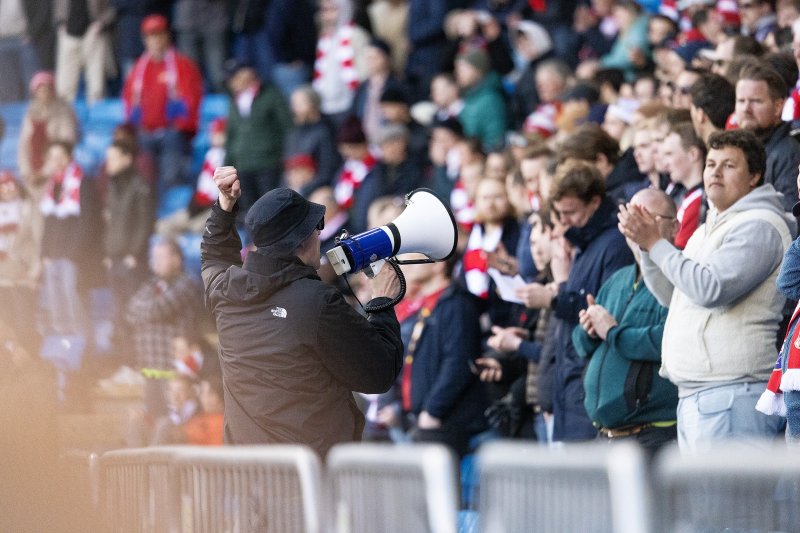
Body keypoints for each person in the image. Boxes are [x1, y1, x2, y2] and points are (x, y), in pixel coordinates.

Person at [201, 166, 404, 457]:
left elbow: (213, 256)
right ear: (304, 239)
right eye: (317, 226)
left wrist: (224, 207)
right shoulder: (317, 302)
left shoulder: (226, 291)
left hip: (244, 475)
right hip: (307, 481)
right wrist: (382, 300)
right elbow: (378, 374)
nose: (321, 233)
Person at [619, 129, 794, 453]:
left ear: (754, 175)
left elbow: (710, 288)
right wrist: (647, 248)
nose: (715, 171)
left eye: (729, 165)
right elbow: (675, 295)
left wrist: (656, 242)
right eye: (711, 163)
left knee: (729, 504)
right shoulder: (707, 228)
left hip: (732, 393)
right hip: (702, 395)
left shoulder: (761, 224)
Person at [515, 160, 635, 442]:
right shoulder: (582, 243)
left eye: (570, 212)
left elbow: (606, 311)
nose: (564, 220)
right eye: (559, 213)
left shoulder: (614, 245)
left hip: (589, 382)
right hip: (569, 382)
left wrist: (554, 297)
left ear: (594, 202)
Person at [573, 188, 680, 454]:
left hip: (652, 435)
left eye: (647, 218)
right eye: (630, 217)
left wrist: (612, 332)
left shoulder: (680, 275)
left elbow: (667, 342)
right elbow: (580, 345)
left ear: (675, 227)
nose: (636, 226)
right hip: (607, 435)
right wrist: (588, 330)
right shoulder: (618, 278)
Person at [122, 14, 203, 195]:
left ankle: (173, 212)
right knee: (141, 174)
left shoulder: (182, 65)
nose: (155, 40)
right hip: (145, 134)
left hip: (173, 134)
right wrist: (136, 127)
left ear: (167, 36)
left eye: (158, 34)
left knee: (171, 173)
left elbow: (192, 101)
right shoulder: (138, 69)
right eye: (150, 36)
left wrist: (179, 126)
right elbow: (128, 102)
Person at [126, 239, 203, 418]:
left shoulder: (187, 283)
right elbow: (130, 310)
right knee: (152, 419)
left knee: (171, 422)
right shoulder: (151, 284)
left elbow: (158, 308)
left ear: (176, 260)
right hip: (150, 368)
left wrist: (146, 315)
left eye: (161, 257)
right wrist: (151, 314)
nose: (155, 262)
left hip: (174, 370)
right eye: (154, 257)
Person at [103, 138, 154, 359]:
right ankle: (126, 361)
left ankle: (139, 362)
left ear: (127, 158)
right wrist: (107, 253)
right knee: (119, 313)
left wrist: (134, 254)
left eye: (113, 158)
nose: (109, 163)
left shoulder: (140, 186)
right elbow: (110, 223)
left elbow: (145, 222)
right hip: (114, 260)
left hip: (132, 262)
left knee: (135, 314)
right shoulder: (113, 186)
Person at [224, 61, 292, 217]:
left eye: (233, 77)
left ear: (247, 74)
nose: (231, 83)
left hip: (267, 163)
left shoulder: (271, 95)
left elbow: (287, 128)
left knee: (270, 208)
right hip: (242, 165)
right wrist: (227, 167)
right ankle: (252, 241)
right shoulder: (234, 101)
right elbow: (231, 136)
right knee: (250, 212)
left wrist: (286, 157)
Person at [18, 72, 78, 195]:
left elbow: (66, 144)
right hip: (32, 172)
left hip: (55, 171)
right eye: (39, 90)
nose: (43, 93)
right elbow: (23, 145)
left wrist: (44, 173)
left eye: (46, 89)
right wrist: (27, 172)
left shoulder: (63, 112)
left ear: (52, 90)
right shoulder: (30, 112)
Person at [53, 0, 115, 104]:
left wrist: (101, 24)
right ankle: (65, 117)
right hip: (69, 35)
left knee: (96, 87)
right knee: (64, 88)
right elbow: (59, 7)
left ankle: (96, 116)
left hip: (93, 35)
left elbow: (113, 8)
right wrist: (60, 23)